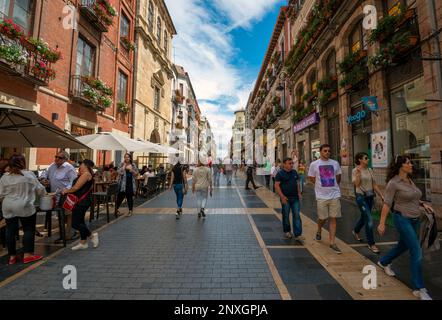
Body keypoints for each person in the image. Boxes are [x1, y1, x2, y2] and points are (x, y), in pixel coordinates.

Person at [377, 155, 434, 300]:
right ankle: (418, 288)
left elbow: (413, 196)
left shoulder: (409, 180)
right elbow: (387, 203)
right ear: (401, 166)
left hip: (415, 219)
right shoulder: (393, 183)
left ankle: (383, 261)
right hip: (402, 219)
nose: (411, 165)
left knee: (403, 246)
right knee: (416, 250)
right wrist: (382, 222)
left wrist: (423, 204)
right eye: (408, 163)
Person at [0, 155, 46, 265]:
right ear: (23, 163)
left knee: (10, 230)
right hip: (24, 205)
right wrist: (45, 194)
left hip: (8, 205)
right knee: (28, 229)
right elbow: (40, 190)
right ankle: (28, 255)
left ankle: (12, 257)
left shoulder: (4, 177)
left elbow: (1, 194)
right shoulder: (28, 175)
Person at [308, 144, 343, 254]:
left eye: (329, 151)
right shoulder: (314, 164)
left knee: (333, 218)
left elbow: (338, 177)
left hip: (334, 195)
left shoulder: (335, 163)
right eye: (325, 151)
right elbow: (312, 178)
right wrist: (320, 187)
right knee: (322, 218)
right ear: (320, 152)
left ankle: (332, 243)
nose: (327, 152)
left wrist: (333, 187)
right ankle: (319, 230)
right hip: (321, 196)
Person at [40, 151, 77, 242]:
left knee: (67, 215)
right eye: (56, 156)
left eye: (59, 158)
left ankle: (68, 234)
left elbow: (73, 181)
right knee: (61, 215)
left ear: (65, 159)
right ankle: (64, 233)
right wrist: (44, 179)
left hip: (66, 195)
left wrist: (66, 189)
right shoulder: (52, 165)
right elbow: (44, 174)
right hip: (54, 195)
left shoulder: (69, 168)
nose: (56, 159)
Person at [62, 159, 99, 251]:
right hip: (81, 201)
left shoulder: (86, 174)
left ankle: (91, 235)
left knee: (75, 223)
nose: (80, 166)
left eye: (81, 164)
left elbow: (76, 187)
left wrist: (66, 190)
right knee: (80, 221)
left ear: (85, 165)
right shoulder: (84, 174)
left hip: (81, 202)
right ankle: (83, 242)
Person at [352, 152, 384, 254]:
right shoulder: (355, 170)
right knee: (369, 219)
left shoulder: (370, 170)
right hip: (361, 197)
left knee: (364, 217)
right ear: (360, 160)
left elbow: (374, 184)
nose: (368, 159)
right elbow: (356, 184)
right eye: (366, 158)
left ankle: (355, 231)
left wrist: (381, 195)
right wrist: (358, 175)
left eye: (368, 158)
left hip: (370, 197)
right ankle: (371, 244)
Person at [275, 158, 304, 241]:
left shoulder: (294, 172)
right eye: (289, 163)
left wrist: (299, 193)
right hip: (286, 198)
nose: (291, 165)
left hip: (295, 198)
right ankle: (287, 231)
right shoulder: (280, 174)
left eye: (292, 163)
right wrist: (282, 197)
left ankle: (298, 234)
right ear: (284, 164)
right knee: (286, 215)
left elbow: (297, 183)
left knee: (297, 215)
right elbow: (277, 186)